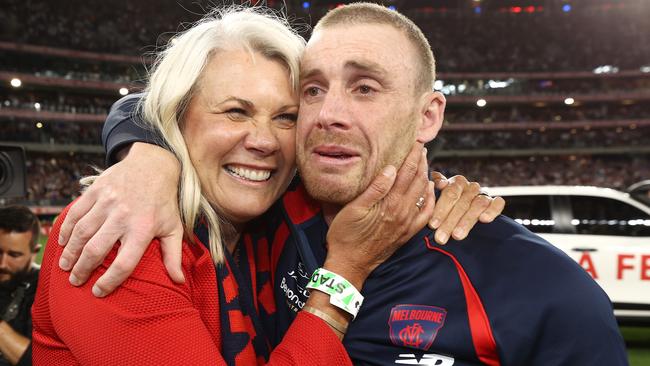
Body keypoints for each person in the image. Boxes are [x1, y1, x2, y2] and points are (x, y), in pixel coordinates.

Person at [59, 3, 629, 365]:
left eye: (365, 88)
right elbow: (148, 107)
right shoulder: (126, 233)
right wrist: (144, 155)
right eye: (311, 91)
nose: (326, 114)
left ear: (428, 116)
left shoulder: (547, 294)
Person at [0, 206, 41, 366]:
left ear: (34, 252)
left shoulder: (45, 292)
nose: (3, 264)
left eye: (14, 255)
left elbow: (41, 360)